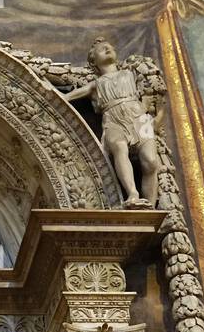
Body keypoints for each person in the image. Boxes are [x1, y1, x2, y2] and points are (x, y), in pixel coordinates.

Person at [63, 38, 159, 207]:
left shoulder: (131, 73)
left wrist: (150, 114)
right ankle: (133, 194)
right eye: (101, 49)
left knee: (151, 162)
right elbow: (69, 96)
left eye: (109, 47)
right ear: (93, 62)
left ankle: (150, 207)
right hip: (113, 119)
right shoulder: (97, 84)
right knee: (119, 148)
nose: (107, 48)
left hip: (139, 117)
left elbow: (153, 96)